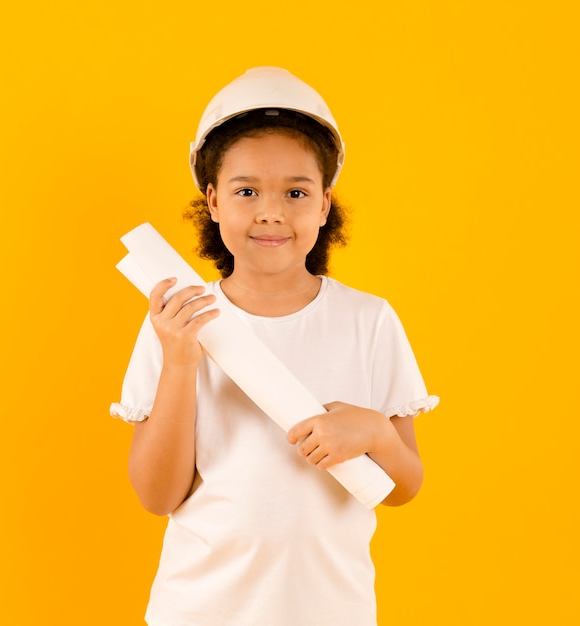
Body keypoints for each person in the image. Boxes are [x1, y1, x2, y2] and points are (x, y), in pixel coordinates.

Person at [111, 66, 439, 626]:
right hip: (199, 611)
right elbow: (157, 496)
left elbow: (402, 487)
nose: (271, 211)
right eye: (246, 191)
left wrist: (377, 432)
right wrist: (180, 361)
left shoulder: (369, 321)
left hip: (333, 611)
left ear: (324, 204)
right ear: (213, 201)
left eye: (295, 191)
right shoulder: (176, 323)